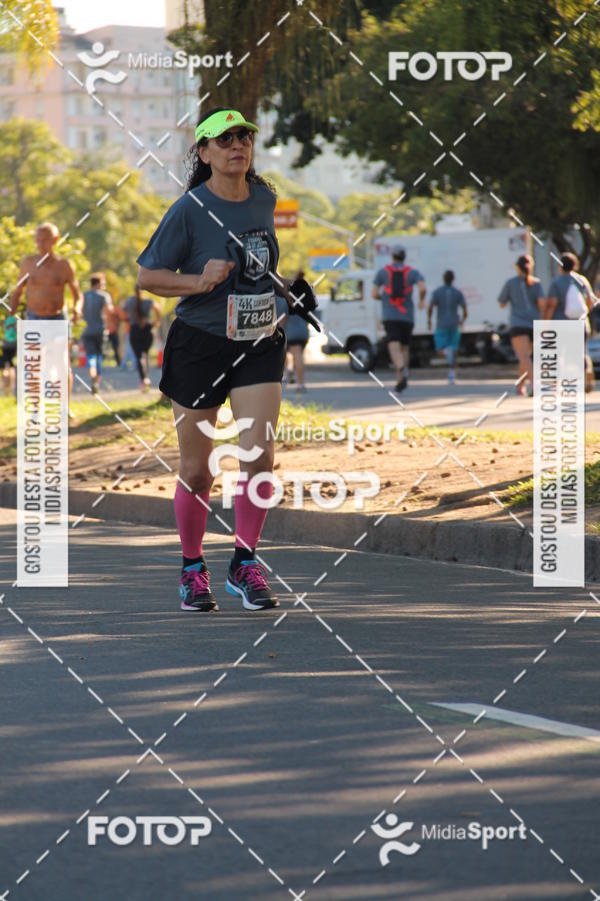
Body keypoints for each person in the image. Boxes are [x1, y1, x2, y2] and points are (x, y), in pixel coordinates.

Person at [137, 106, 302, 613]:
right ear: (204, 152)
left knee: (260, 456)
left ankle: (245, 562)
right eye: (225, 138)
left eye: (245, 137)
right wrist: (198, 282)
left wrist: (287, 292)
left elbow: (256, 268)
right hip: (198, 343)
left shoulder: (265, 199)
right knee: (197, 467)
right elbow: (148, 277)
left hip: (257, 340)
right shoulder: (189, 209)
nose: (238, 145)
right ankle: (192, 569)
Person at [8, 222, 82, 415]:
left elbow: (77, 293)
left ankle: (65, 407)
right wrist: (10, 316)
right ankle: (34, 409)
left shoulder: (63, 265)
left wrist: (77, 309)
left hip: (58, 318)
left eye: (44, 240)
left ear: (55, 240)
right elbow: (18, 292)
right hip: (34, 319)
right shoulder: (28, 263)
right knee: (34, 364)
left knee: (62, 362)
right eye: (37, 240)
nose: (40, 244)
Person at [372, 244, 426, 393]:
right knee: (404, 347)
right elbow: (423, 288)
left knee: (393, 344)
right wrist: (421, 300)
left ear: (392, 257)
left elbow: (374, 293)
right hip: (407, 316)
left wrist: (384, 298)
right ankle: (401, 377)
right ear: (404, 257)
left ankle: (401, 367)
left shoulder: (383, 272)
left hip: (390, 315)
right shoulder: (413, 272)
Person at [545, 252, 597, 392]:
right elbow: (590, 302)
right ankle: (587, 376)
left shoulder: (557, 282)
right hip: (581, 323)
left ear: (560, 266)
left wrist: (546, 323)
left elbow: (552, 304)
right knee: (581, 352)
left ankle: (555, 383)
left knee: (558, 353)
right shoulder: (582, 280)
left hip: (561, 324)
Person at [498, 254, 544, 396]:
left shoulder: (511, 283)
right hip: (534, 323)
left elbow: (501, 303)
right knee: (526, 357)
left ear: (517, 267)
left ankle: (534, 385)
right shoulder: (536, 283)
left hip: (518, 323)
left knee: (523, 357)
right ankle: (520, 385)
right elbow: (542, 304)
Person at [427, 270, 467, 385]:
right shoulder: (457, 293)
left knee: (440, 348)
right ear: (453, 279)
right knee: (454, 349)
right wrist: (462, 321)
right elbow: (465, 309)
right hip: (454, 322)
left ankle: (445, 351)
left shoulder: (437, 292)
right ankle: (451, 374)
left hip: (442, 323)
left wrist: (429, 320)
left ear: (443, 278)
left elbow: (430, 307)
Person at [76, 273, 113, 394]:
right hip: (100, 329)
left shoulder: (83, 296)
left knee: (90, 355)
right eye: (102, 284)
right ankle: (97, 381)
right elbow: (108, 311)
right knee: (99, 356)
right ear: (98, 284)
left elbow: (78, 311)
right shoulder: (104, 296)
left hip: (86, 330)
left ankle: (92, 372)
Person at [277, 269, 310, 393]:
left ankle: (300, 384)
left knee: (291, 354)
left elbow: (284, 317)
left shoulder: (288, 297)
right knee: (299, 355)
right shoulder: (307, 296)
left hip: (291, 331)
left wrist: (279, 330)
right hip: (303, 331)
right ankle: (290, 373)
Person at [122, 286, 160, 391]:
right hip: (147, 329)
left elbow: (123, 313)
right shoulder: (148, 301)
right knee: (145, 354)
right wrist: (156, 321)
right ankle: (146, 377)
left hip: (135, 329)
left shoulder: (129, 301)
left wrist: (128, 319)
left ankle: (144, 379)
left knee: (139, 356)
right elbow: (157, 309)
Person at [0, 315, 17, 396]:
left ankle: (9, 389)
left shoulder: (13, 323)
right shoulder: (7, 323)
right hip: (6, 350)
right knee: (6, 370)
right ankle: (6, 389)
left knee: (8, 369)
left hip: (10, 349)